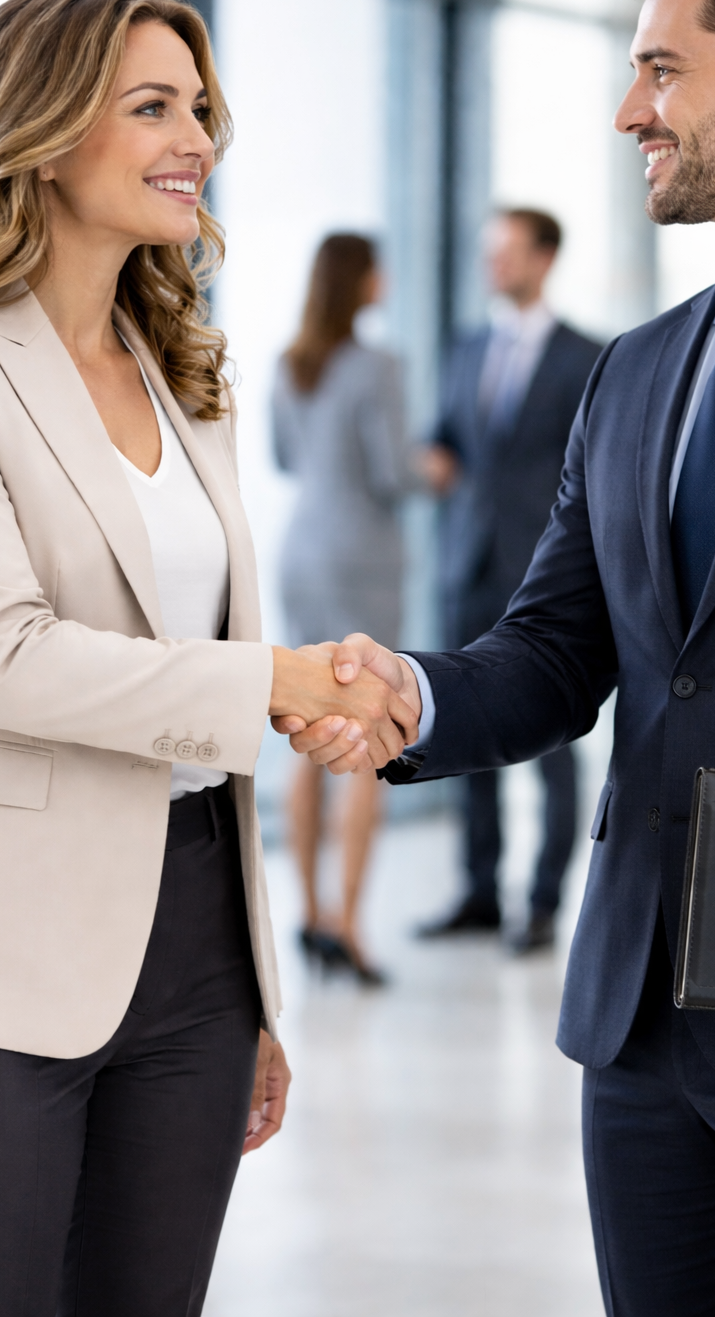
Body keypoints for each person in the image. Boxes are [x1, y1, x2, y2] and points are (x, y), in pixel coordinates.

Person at [279, 0, 715, 1316]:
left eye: (662, 70)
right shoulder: (636, 371)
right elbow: (561, 649)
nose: (632, 109)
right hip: (634, 1042)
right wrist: (414, 692)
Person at [0, 0, 414, 1316]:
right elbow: (8, 661)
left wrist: (252, 992)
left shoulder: (190, 367)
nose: (196, 138)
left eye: (199, 108)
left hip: (196, 935)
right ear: (42, 132)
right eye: (151, 107)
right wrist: (286, 683)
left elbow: (200, 648)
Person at [416, 208, 602, 951]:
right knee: (465, 732)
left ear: (545, 259)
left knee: (552, 744)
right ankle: (479, 893)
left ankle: (546, 902)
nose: (495, 265)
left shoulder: (586, 356)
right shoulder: (467, 348)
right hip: (469, 562)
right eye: (489, 252)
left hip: (545, 577)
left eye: (509, 253)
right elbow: (448, 438)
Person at [273, 232, 416, 983]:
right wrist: (441, 470)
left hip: (302, 550)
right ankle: (353, 928)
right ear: (360, 280)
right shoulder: (380, 366)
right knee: (366, 731)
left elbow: (286, 458)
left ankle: (310, 914)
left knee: (305, 722)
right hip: (362, 556)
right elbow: (395, 470)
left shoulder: (289, 364)